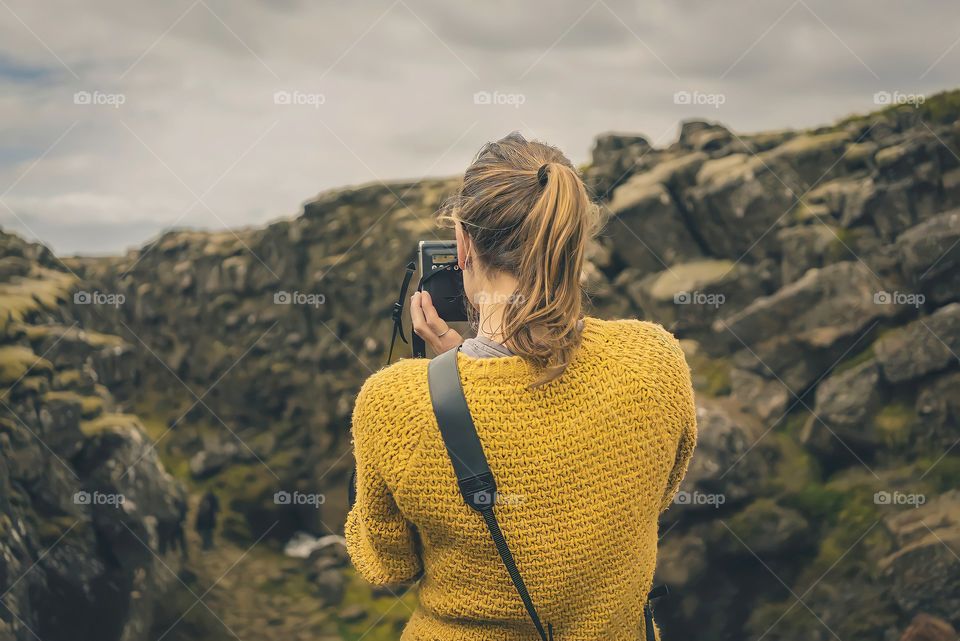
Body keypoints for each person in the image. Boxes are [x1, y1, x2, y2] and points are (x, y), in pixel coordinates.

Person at [345, 132, 697, 641]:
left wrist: (448, 383)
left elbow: (387, 564)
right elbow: (648, 496)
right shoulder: (653, 360)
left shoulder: (396, 405)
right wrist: (463, 374)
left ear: (463, 245)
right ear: (573, 243)